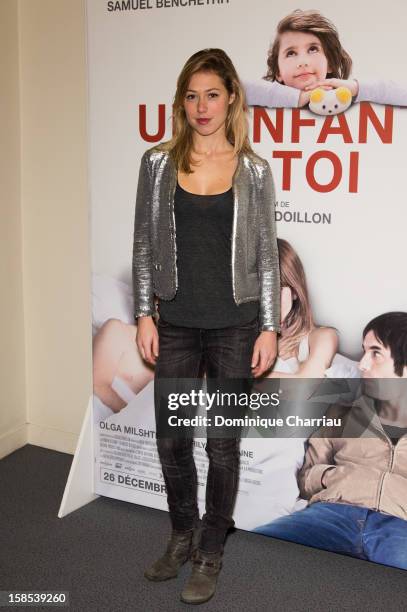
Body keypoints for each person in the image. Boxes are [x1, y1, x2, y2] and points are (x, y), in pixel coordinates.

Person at [132, 49, 280, 604]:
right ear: (181, 101)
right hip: (174, 321)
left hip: (236, 326)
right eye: (192, 95)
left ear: (231, 99)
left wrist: (268, 326)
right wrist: (144, 314)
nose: (202, 106)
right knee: (172, 439)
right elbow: (144, 244)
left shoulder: (254, 170)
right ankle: (180, 535)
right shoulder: (157, 163)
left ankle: (211, 548)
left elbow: (267, 254)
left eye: (212, 94)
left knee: (221, 445)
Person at [255, 312, 407, 571]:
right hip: (332, 515)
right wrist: (330, 477)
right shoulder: (343, 412)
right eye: (363, 352)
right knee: (250, 552)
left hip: (399, 528)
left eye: (375, 353)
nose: (362, 364)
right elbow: (305, 477)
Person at [244, 9, 407, 109]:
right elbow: (231, 88)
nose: (303, 61)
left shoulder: (343, 96)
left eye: (313, 49)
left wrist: (356, 88)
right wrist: (297, 98)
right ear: (278, 71)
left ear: (329, 62)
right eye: (291, 53)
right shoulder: (263, 97)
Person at [266, 238, 338, 378]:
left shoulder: (322, 337)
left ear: (295, 292)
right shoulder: (234, 340)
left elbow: (303, 385)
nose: (267, 301)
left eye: (276, 290)